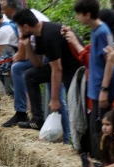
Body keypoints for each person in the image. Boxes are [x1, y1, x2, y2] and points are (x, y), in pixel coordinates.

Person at [12, 9, 81, 142]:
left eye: (19, 28)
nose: (19, 32)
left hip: (73, 69)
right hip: (60, 66)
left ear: (25, 27)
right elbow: (37, 64)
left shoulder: (49, 35)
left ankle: (67, 140)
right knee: (30, 76)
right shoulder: (38, 34)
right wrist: (27, 46)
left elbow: (58, 69)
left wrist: (54, 99)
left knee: (62, 103)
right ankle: (37, 120)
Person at [72, 0, 114, 159]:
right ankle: (99, 162)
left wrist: (104, 89)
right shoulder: (95, 31)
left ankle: (104, 163)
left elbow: (110, 62)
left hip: (102, 89)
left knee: (101, 129)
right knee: (94, 128)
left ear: (87, 14)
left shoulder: (103, 32)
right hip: (95, 88)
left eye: (79, 14)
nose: (77, 17)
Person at [1, 0, 49, 128]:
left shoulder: (22, 20)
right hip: (41, 54)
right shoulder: (25, 15)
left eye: (3, 10)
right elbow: (24, 44)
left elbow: (22, 52)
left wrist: (20, 55)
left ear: (11, 11)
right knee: (20, 69)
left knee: (20, 69)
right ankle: (24, 112)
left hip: (50, 56)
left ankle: (32, 115)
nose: (2, 13)